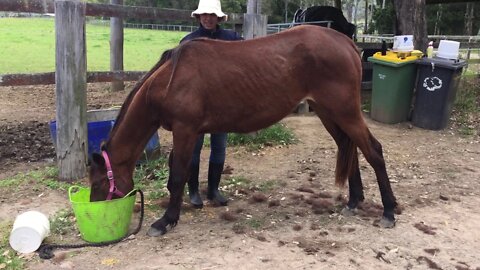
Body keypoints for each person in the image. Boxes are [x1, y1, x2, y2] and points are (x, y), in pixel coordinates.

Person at [181, 0, 243, 208]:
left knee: (219, 147)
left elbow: (247, 60)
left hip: (223, 104)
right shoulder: (189, 42)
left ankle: (214, 190)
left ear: (218, 17)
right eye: (204, 14)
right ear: (198, 17)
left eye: (212, 14)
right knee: (194, 147)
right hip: (196, 106)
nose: (208, 18)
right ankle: (193, 191)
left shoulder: (232, 39)